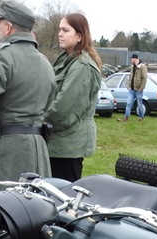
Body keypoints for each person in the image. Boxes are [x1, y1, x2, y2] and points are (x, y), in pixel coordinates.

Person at [0, 0, 56, 195]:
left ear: (8, 27)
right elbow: (49, 103)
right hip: (37, 150)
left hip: (4, 153)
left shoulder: (2, 56)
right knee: (34, 208)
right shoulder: (45, 63)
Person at [44, 13, 102, 183]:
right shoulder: (66, 59)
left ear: (79, 36)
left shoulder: (82, 66)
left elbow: (64, 109)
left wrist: (36, 120)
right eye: (59, 30)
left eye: (65, 30)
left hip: (67, 146)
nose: (60, 34)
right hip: (58, 143)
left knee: (62, 195)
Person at [119, 53, 147, 122]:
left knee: (139, 104)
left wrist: (141, 88)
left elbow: (144, 78)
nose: (131, 61)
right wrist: (128, 85)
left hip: (138, 90)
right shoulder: (132, 67)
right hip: (131, 89)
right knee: (128, 103)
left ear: (135, 59)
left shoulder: (142, 67)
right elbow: (130, 77)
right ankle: (126, 117)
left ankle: (141, 116)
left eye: (132, 59)